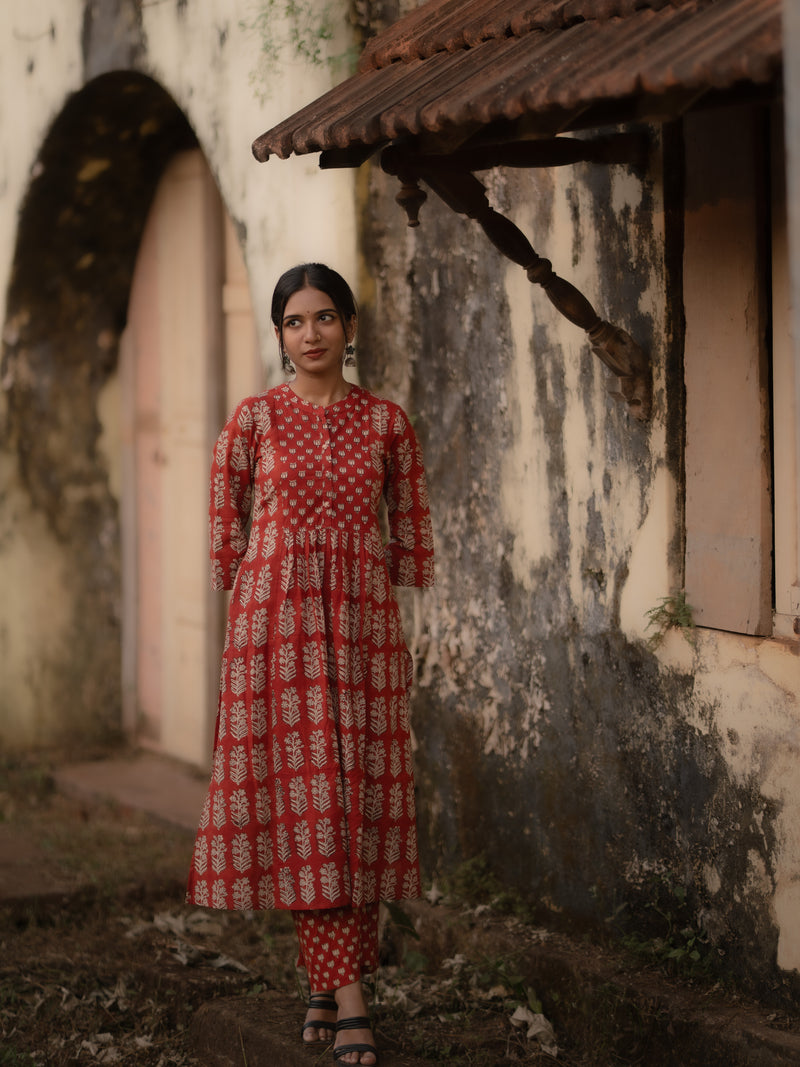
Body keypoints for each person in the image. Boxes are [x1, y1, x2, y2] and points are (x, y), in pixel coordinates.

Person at [186, 263, 435, 1066]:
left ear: (351, 328)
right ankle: (354, 998)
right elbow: (227, 525)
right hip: (277, 633)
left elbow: (411, 529)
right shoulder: (253, 421)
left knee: (351, 805)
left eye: (326, 317)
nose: (312, 333)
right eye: (295, 321)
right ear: (280, 335)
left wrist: (400, 584)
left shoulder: (388, 424)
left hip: (362, 633)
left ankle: (325, 984)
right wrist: (240, 576)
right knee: (310, 804)